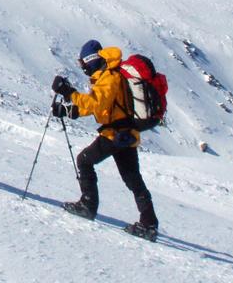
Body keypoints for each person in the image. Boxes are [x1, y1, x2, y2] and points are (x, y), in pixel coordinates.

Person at [52, 39, 159, 241]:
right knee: (132, 179)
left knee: (84, 160)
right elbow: (101, 107)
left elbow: (95, 103)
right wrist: (68, 110)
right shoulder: (109, 75)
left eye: (83, 63)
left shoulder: (110, 77)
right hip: (126, 134)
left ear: (91, 60)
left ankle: (88, 205)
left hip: (115, 135)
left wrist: (69, 93)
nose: (83, 67)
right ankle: (149, 223)